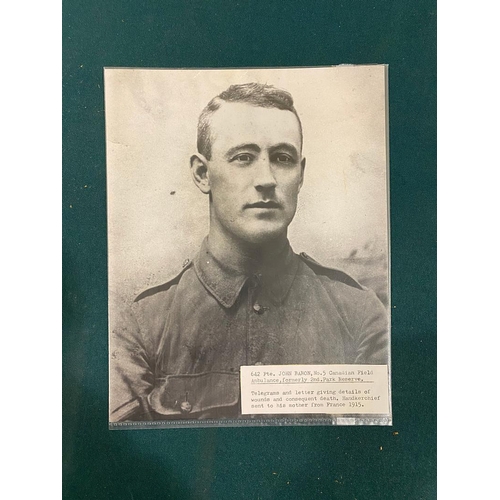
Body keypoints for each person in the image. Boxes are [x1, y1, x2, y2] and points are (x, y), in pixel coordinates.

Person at [109, 82, 389, 423]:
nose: (267, 179)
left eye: (282, 158)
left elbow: (377, 453)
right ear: (202, 174)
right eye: (244, 157)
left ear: (300, 175)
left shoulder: (359, 315)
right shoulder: (144, 326)